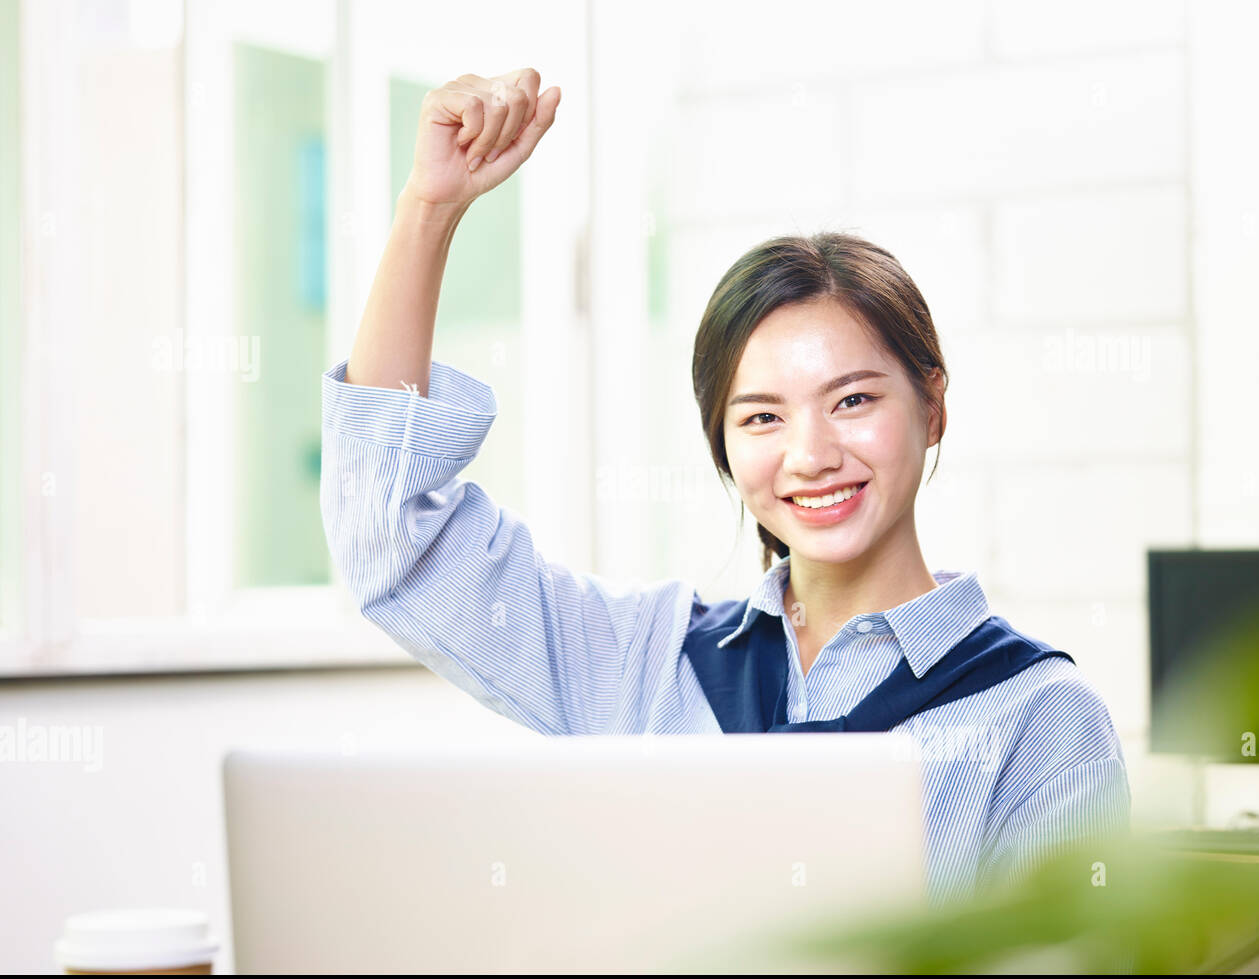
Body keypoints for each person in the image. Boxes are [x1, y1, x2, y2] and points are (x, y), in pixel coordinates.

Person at [320, 67, 1131, 910]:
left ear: (933, 406)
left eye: (853, 400)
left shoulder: (1040, 719)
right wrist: (428, 210)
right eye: (762, 417)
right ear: (723, 446)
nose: (811, 455)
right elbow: (394, 541)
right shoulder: (645, 667)